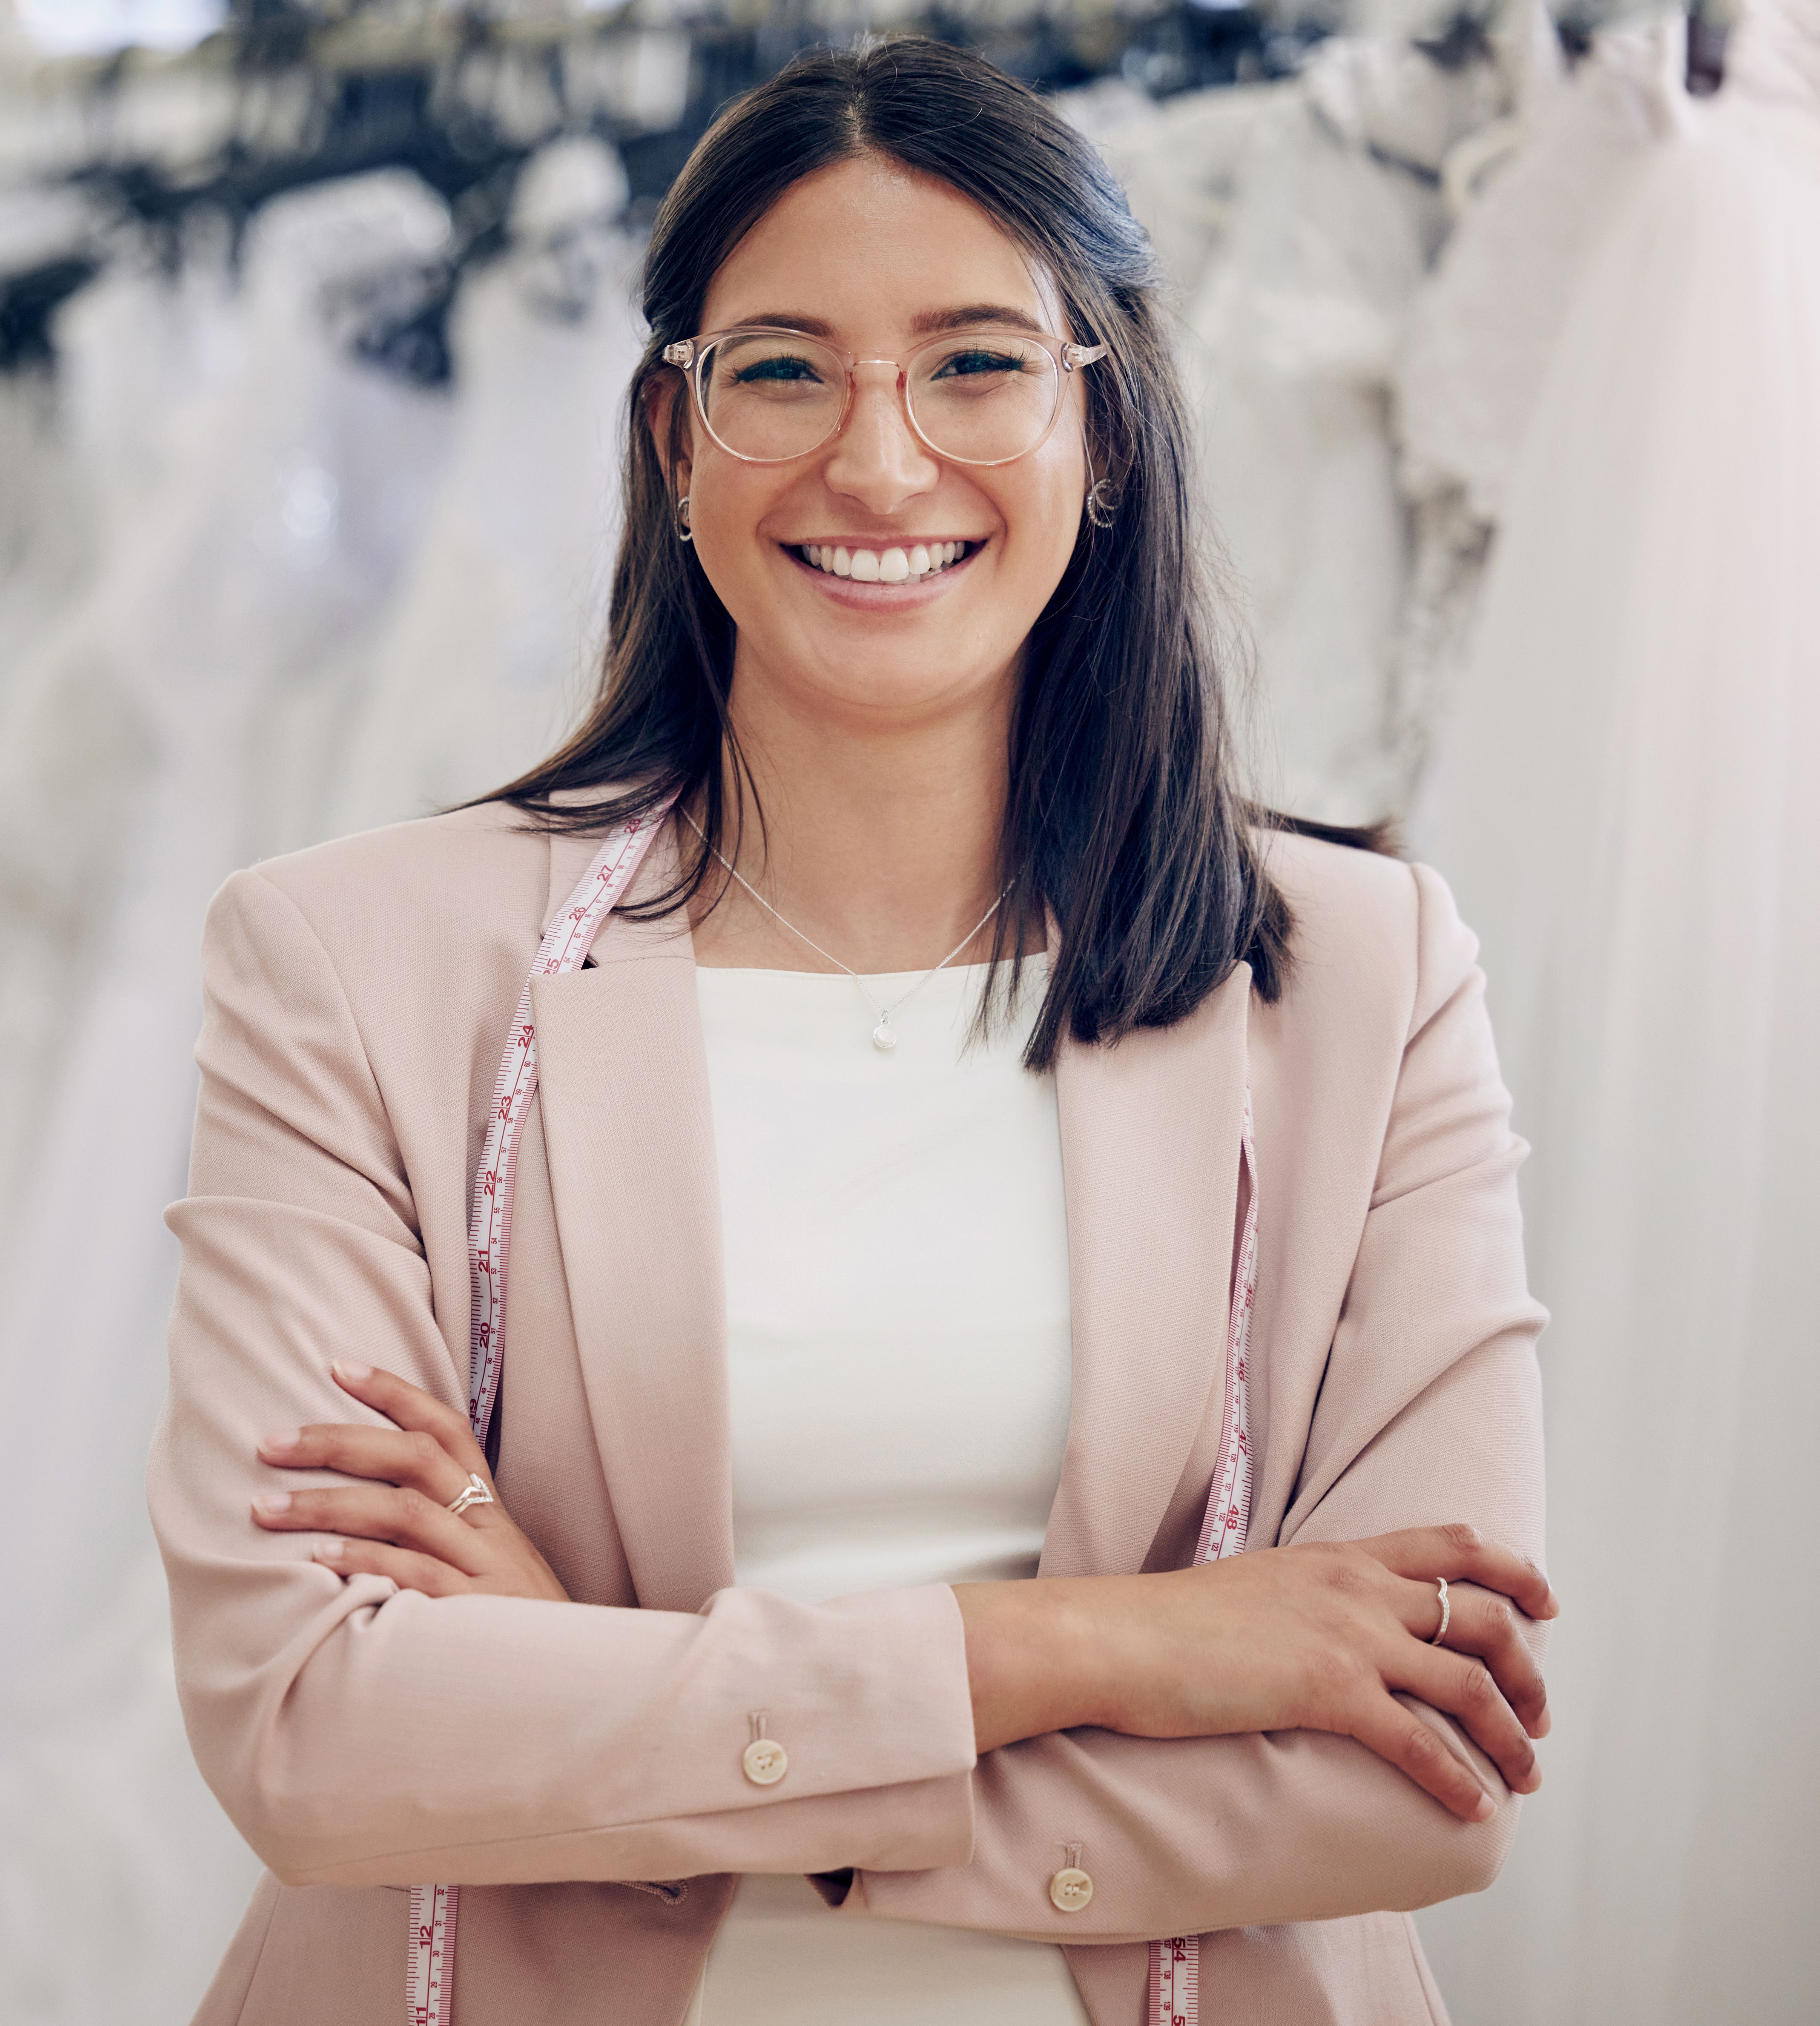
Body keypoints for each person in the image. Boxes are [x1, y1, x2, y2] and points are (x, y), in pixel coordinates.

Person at [150, 35, 1550, 2026]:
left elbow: (1429, 1776)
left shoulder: (1363, 975)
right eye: (784, 370)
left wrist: (621, 1714)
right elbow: (314, 1733)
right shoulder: (349, 964)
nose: (877, 462)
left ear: (1109, 425)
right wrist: (1131, 1650)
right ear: (673, 434)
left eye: (976, 363)